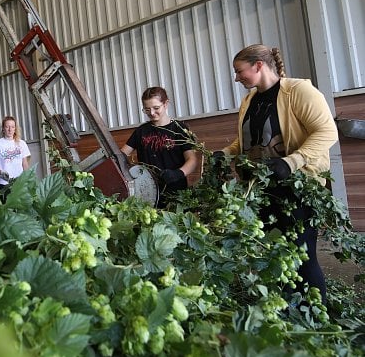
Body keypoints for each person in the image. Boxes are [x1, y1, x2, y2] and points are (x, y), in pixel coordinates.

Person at [215, 44, 339, 303]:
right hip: (262, 188)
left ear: (258, 66)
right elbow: (246, 141)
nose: (237, 78)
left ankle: (319, 315)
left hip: (298, 187)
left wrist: (292, 161)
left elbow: (327, 132)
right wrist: (225, 153)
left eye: (240, 71)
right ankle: (287, 309)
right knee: (272, 254)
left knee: (301, 255)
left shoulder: (298, 91)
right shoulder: (249, 100)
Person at [121, 87, 198, 208]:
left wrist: (178, 173)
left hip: (175, 192)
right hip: (148, 191)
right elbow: (122, 154)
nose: (151, 113)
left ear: (166, 103)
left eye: (156, 108)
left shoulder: (180, 129)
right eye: (147, 109)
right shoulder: (141, 131)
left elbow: (192, 160)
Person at [0, 116, 31, 203]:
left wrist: (27, 179)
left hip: (19, 184)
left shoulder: (22, 143)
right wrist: (2, 173)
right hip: (4, 185)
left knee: (21, 211)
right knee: (6, 212)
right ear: (3, 128)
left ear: (15, 128)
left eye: (12, 127)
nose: (10, 129)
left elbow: (25, 164)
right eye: (7, 126)